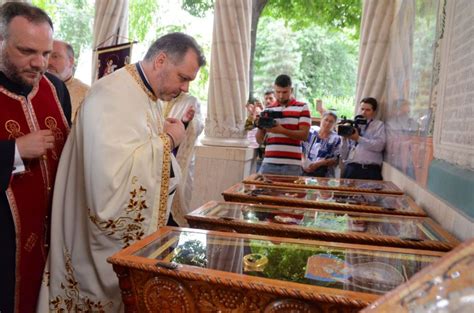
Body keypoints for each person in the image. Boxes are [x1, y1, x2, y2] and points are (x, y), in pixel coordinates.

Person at [37, 32, 206, 312]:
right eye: (183, 77)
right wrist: (169, 141)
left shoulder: (146, 95)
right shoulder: (112, 95)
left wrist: (161, 140)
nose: (185, 88)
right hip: (90, 240)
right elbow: (108, 181)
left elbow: (138, 155)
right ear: (161, 60)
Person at [0, 3, 71, 313]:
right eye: (27, 51)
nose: (39, 64)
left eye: (45, 53)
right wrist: (14, 151)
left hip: (51, 240)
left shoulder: (55, 88)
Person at [162, 92, 204, 226]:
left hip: (175, 161)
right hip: (153, 162)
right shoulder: (156, 97)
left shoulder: (190, 100)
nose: (184, 87)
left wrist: (185, 122)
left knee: (172, 211)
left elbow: (198, 126)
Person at [256, 74, 311, 176]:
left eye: (285, 92)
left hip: (292, 164)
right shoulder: (268, 110)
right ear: (274, 90)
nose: (281, 96)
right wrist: (260, 125)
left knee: (290, 192)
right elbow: (259, 140)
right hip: (269, 161)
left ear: (291, 90)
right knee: (264, 191)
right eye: (278, 92)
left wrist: (281, 130)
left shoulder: (302, 107)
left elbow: (304, 135)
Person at [340, 97, 386, 180]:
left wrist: (358, 138)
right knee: (345, 193)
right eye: (362, 109)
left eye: (367, 110)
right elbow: (344, 156)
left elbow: (379, 146)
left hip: (369, 170)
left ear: (374, 112)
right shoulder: (353, 124)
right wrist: (344, 140)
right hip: (351, 168)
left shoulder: (378, 125)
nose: (363, 112)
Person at [48, 39, 90, 122]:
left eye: (55, 56)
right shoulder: (33, 88)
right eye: (46, 55)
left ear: (71, 61)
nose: (48, 62)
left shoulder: (87, 94)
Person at [302, 111, 341, 177]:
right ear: (321, 119)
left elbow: (336, 159)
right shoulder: (311, 131)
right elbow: (301, 148)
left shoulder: (336, 138)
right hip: (304, 168)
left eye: (331, 122)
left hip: (323, 172)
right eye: (326, 120)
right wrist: (303, 162)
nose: (327, 123)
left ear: (334, 124)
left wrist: (319, 164)